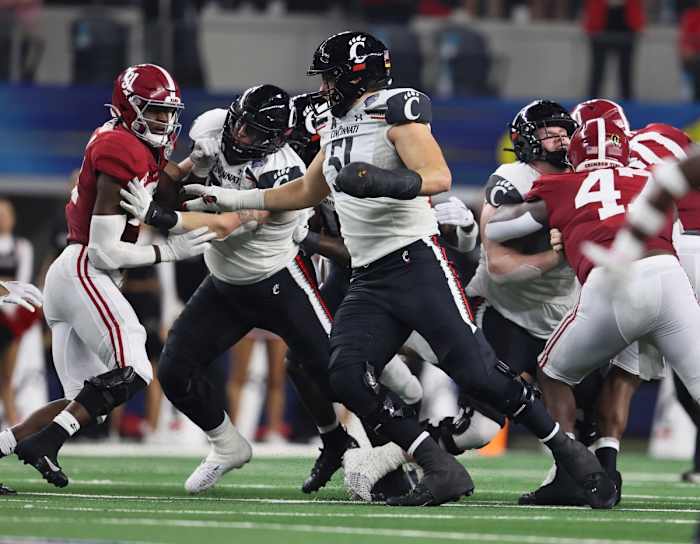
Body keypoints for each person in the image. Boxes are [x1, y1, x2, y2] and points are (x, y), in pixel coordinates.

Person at [180, 31, 617, 508]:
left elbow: (437, 176)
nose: (324, 88)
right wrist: (225, 197)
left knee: (479, 375)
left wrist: (379, 181)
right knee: (344, 374)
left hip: (416, 264)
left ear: (354, 75)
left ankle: (573, 458)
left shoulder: (395, 107)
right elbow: (303, 193)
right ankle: (438, 466)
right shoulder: (339, 125)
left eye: (330, 77)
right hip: (369, 277)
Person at [122, 84, 359, 495]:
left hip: (279, 280)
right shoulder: (213, 132)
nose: (240, 136)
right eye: (240, 124)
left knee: (337, 373)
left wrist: (157, 213)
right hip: (226, 284)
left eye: (253, 132)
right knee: (175, 371)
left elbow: (226, 224)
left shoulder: (282, 171)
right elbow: (172, 190)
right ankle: (227, 445)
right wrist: (187, 167)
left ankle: (402, 449)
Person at [0, 63, 228, 488]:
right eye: (154, 111)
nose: (163, 120)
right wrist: (169, 249)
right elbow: (105, 250)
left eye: (167, 111)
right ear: (129, 107)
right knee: (135, 369)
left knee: (85, 400)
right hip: (86, 267)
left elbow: (161, 188)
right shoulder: (121, 147)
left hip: (77, 271)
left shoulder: (130, 142)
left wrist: (193, 164)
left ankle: (9, 445)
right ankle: (44, 443)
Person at [486, 119, 700, 505]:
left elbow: (501, 229)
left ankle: (571, 473)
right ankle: (602, 464)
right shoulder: (648, 175)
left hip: (614, 282)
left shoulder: (559, 185)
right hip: (670, 275)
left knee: (553, 372)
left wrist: (556, 223)